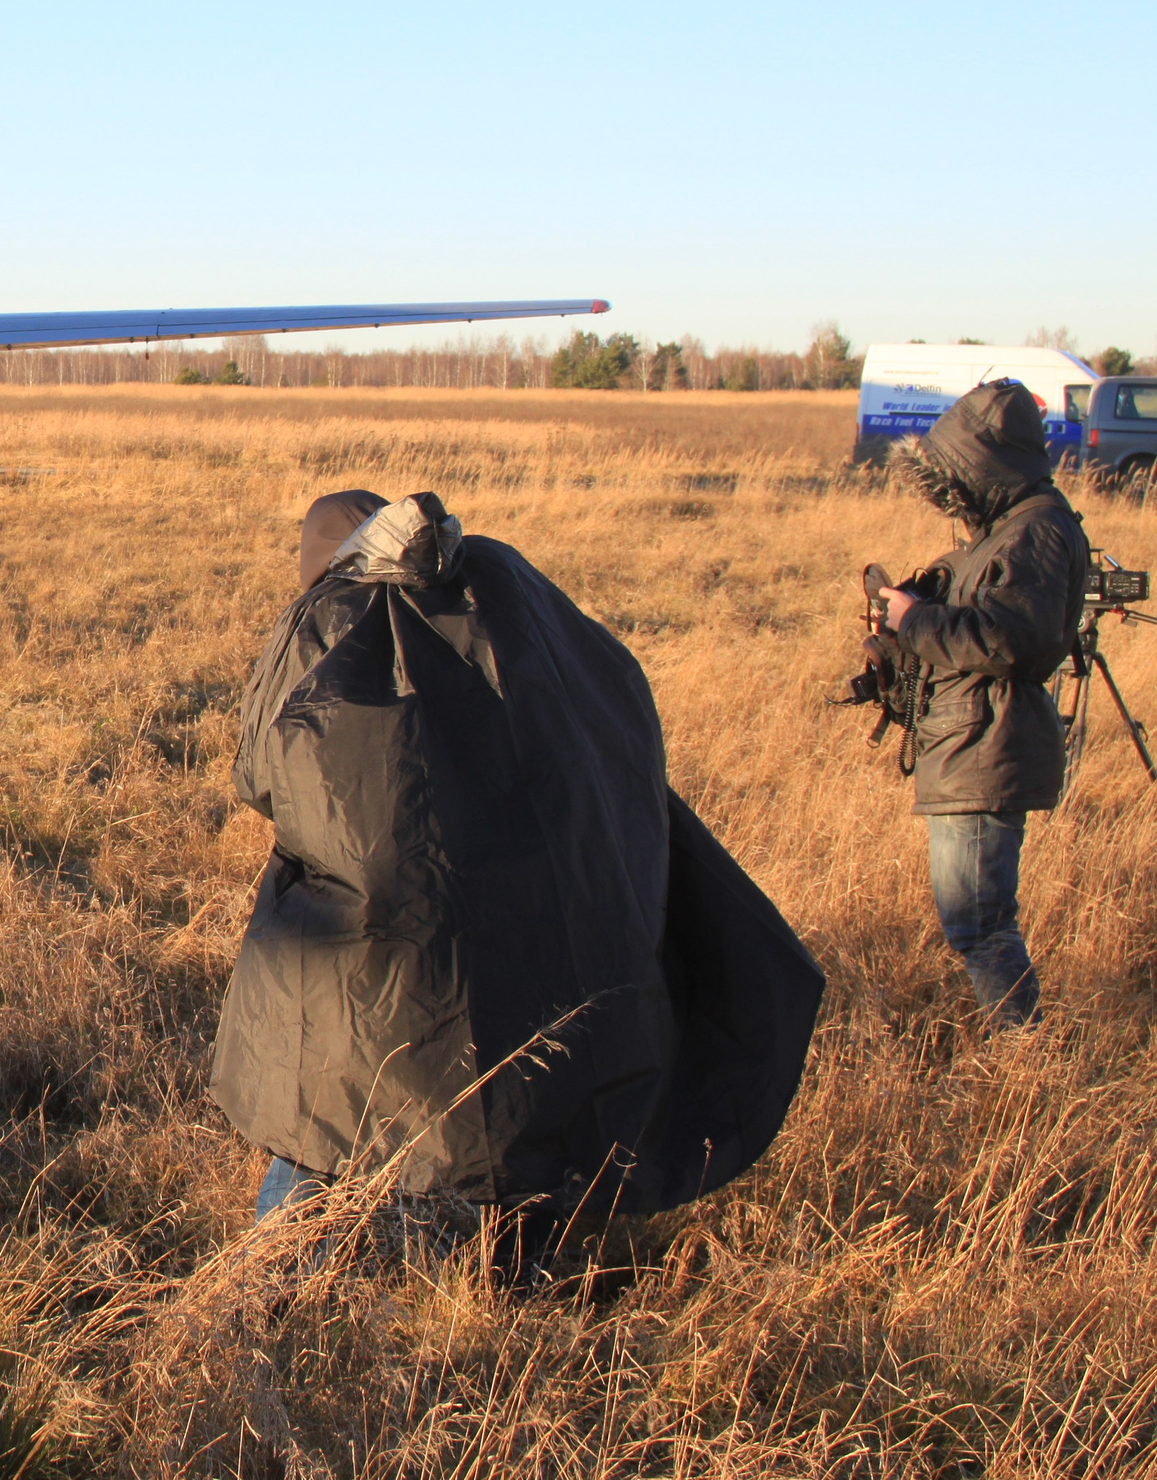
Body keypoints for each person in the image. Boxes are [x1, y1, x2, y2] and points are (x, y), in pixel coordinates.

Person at [216, 490, 821, 1230]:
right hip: (537, 942)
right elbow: (611, 699)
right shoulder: (500, 587)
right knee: (499, 1119)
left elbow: (262, 775)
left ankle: (283, 1273)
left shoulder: (331, 619)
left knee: (329, 1114)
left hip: (375, 958)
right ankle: (490, 1260)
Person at [877, 380, 1090, 1028]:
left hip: (985, 746)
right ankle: (1021, 1047)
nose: (950, 496)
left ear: (981, 463)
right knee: (979, 922)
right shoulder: (1008, 530)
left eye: (954, 477)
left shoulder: (1037, 531)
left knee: (981, 924)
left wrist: (916, 621)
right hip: (969, 744)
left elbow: (1014, 640)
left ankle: (1022, 1052)